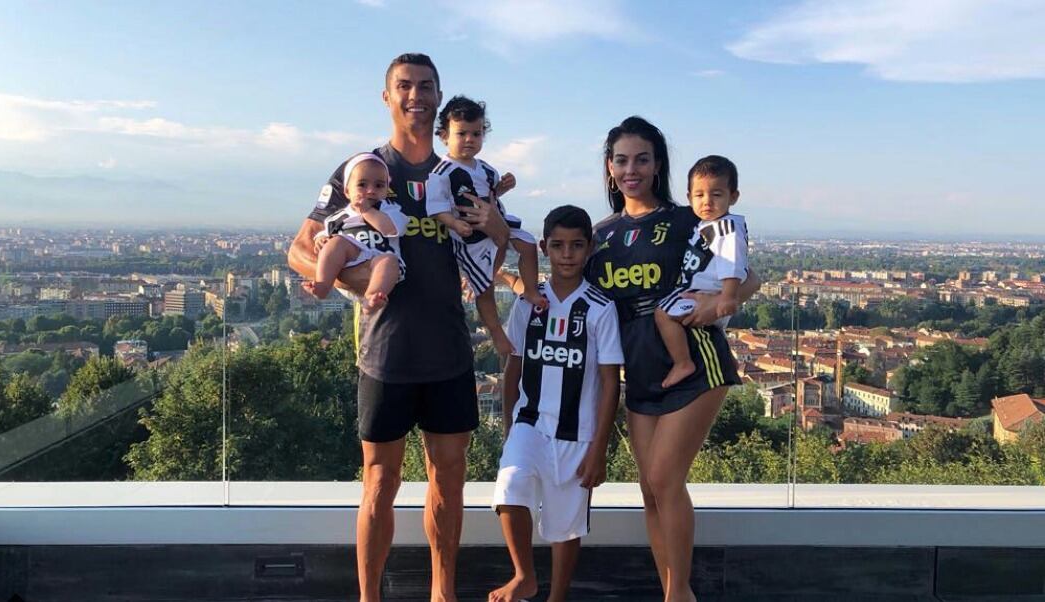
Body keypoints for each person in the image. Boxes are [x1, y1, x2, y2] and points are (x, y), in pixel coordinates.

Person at [287, 53, 509, 602]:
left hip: (449, 350)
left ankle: (443, 593)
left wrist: (498, 227)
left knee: (449, 480)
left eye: (425, 86)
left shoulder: (459, 173)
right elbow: (299, 249)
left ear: (439, 98)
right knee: (380, 482)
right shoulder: (363, 169)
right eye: (404, 86)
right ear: (386, 97)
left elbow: (492, 251)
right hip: (385, 353)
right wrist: (357, 277)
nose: (415, 95)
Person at [584, 116, 760, 602]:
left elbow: (749, 277)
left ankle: (678, 593)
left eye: (642, 159)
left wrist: (715, 304)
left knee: (664, 478)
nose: (632, 170)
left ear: (658, 164)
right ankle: (674, 591)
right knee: (650, 489)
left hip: (696, 360)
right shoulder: (600, 235)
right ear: (609, 167)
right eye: (622, 160)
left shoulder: (689, 219)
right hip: (640, 369)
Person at [490, 205, 623, 602]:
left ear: (590, 248)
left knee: (566, 523)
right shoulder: (528, 304)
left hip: (577, 433)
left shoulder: (601, 308)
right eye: (559, 245)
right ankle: (524, 576)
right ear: (544, 248)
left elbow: (610, 383)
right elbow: (513, 366)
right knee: (510, 486)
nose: (567, 254)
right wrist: (510, 426)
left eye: (576, 245)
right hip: (529, 424)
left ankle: (557, 596)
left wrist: (599, 449)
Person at [426, 95, 545, 356]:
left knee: (528, 244)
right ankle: (496, 333)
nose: (470, 139)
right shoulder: (441, 173)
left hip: (499, 221)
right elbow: (435, 208)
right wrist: (455, 224)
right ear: (444, 136)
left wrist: (503, 187)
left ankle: (531, 290)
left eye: (476, 134)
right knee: (484, 288)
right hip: (471, 238)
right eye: (462, 133)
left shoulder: (485, 168)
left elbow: (489, 195)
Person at [654, 155, 749, 388]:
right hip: (704, 293)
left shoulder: (725, 227)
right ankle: (724, 360)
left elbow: (732, 262)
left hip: (706, 294)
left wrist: (728, 296)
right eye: (699, 195)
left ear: (733, 197)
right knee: (711, 328)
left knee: (662, 314)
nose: (707, 202)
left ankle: (683, 362)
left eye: (716, 194)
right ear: (689, 198)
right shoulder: (705, 225)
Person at [306, 152, 408, 314]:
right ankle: (322, 285)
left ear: (386, 190)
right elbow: (326, 232)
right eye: (362, 185)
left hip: (381, 258)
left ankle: (371, 298)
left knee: (389, 261)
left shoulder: (390, 210)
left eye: (379, 186)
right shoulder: (340, 216)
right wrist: (322, 240)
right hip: (353, 257)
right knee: (336, 243)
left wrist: (367, 211)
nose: (371, 191)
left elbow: (391, 229)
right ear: (347, 191)